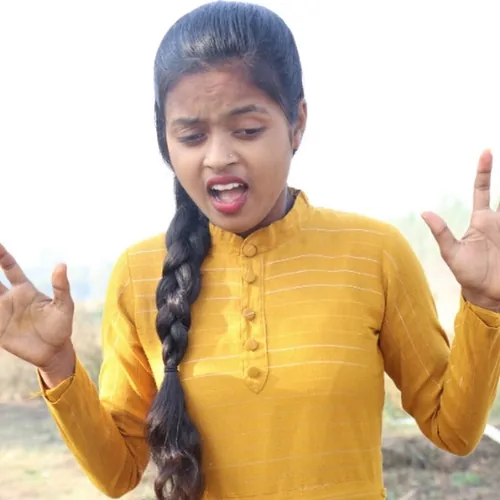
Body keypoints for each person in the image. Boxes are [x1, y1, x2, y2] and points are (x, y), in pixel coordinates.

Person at [1, 2, 500, 499]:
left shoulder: (375, 254)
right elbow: (118, 474)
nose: (218, 157)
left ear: (297, 122)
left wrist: (485, 303)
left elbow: (453, 430)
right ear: (164, 140)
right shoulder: (138, 275)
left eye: (247, 130)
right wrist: (58, 364)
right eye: (191, 136)